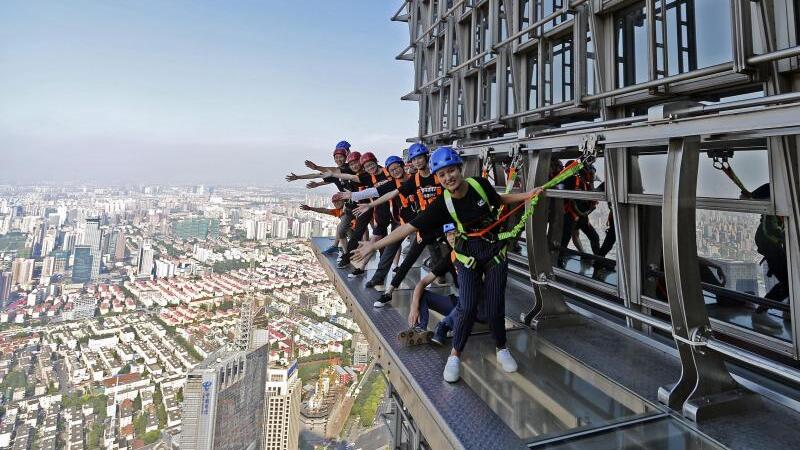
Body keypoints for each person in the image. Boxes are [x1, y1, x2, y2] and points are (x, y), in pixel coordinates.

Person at [352, 146, 545, 383]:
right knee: (467, 306)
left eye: (451, 171)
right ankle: (455, 355)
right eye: (442, 175)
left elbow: (499, 199)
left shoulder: (479, 185)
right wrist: (373, 245)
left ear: (459, 169)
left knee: (495, 305)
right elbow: (408, 227)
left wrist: (527, 196)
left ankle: (501, 347)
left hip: (494, 251)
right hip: (467, 255)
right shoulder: (442, 204)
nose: (448, 178)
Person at [350, 143, 447, 307]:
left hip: (432, 221)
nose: (396, 171)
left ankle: (443, 274)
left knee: (437, 249)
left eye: (397, 168)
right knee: (397, 250)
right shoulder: (397, 183)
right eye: (392, 169)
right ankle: (383, 283)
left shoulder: (422, 177)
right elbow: (384, 193)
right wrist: (363, 201)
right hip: (407, 222)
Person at [321, 152, 394, 277]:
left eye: (356, 163)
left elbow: (382, 188)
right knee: (360, 233)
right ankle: (350, 259)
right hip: (365, 206)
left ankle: (378, 267)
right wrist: (332, 175)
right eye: (352, 164)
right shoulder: (364, 175)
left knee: (379, 235)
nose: (354, 166)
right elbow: (351, 178)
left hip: (382, 205)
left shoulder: (379, 172)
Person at [286, 140, 354, 254]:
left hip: (360, 201)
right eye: (336, 157)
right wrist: (299, 177)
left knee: (347, 228)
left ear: (346, 155)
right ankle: (341, 247)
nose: (338, 160)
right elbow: (321, 176)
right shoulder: (336, 174)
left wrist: (317, 167)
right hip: (350, 203)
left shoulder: (348, 167)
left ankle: (351, 251)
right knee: (342, 228)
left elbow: (332, 171)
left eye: (341, 156)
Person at [561, 162, 601, 257]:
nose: (592, 176)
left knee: (594, 237)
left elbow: (593, 200)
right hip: (570, 216)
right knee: (565, 239)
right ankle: (559, 259)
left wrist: (591, 182)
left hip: (581, 217)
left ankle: (599, 261)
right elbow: (564, 195)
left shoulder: (587, 186)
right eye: (591, 173)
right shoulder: (572, 180)